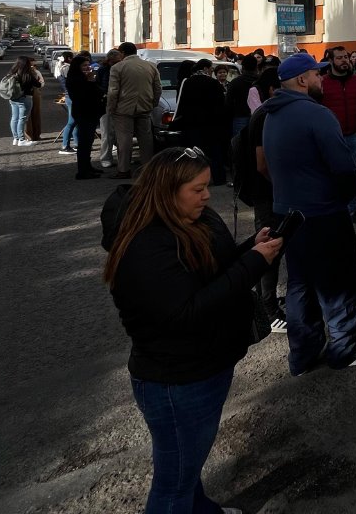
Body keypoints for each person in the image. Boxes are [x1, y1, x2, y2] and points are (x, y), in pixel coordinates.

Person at [103, 146, 283, 514]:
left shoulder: (190, 218)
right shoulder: (147, 245)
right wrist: (251, 264)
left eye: (207, 186)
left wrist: (252, 247)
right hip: (178, 379)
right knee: (174, 485)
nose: (207, 195)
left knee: (186, 468)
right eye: (197, 189)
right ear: (167, 192)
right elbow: (184, 311)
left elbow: (211, 267)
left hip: (204, 364)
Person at [262, 52, 356, 373]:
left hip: (288, 215)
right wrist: (345, 197)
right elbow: (344, 170)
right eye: (316, 75)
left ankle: (302, 354)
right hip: (323, 213)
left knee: (300, 285)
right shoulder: (317, 115)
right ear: (302, 80)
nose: (321, 79)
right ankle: (344, 348)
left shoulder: (270, 115)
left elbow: (266, 167)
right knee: (337, 280)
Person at [246, 70, 287, 334]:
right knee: (270, 248)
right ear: (273, 89)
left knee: (274, 248)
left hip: (270, 192)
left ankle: (267, 301)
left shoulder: (266, 114)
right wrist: (283, 187)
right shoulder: (264, 116)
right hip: (268, 194)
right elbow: (262, 165)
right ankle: (269, 310)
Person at [321, 47, 356, 227]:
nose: (345, 61)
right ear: (331, 60)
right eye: (340, 58)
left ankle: (352, 209)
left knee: (351, 175)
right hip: (333, 139)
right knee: (332, 174)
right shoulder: (323, 83)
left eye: (346, 57)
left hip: (354, 136)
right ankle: (335, 209)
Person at [108, 42, 162, 180]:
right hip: (145, 107)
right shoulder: (150, 66)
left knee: (124, 140)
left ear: (122, 53)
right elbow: (157, 88)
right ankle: (148, 169)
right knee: (146, 140)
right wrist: (153, 103)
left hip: (123, 109)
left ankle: (124, 170)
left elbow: (113, 91)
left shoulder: (117, 67)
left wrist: (111, 108)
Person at [174, 60, 230, 186]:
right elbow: (221, 105)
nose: (212, 71)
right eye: (211, 69)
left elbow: (181, 103)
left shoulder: (187, 82)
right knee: (215, 152)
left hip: (192, 122)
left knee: (194, 152)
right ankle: (219, 178)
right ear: (205, 68)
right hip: (212, 123)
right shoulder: (214, 83)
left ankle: (193, 178)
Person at [65, 55, 106, 180]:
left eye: (88, 64)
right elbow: (82, 96)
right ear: (77, 66)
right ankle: (83, 171)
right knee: (84, 143)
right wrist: (89, 81)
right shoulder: (74, 79)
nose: (87, 67)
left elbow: (98, 91)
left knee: (89, 142)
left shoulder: (84, 78)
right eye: (84, 65)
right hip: (83, 113)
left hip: (91, 113)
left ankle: (88, 166)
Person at [6, 56, 42, 146]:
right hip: (25, 98)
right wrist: (35, 74)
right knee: (22, 119)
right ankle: (22, 140)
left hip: (13, 98)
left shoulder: (12, 73)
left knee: (14, 118)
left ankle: (16, 139)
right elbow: (38, 84)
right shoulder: (28, 74)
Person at [96, 49, 123, 168]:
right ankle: (105, 158)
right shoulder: (104, 69)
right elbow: (100, 85)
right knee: (107, 133)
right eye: (115, 61)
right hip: (106, 103)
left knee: (119, 134)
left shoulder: (118, 69)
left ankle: (121, 158)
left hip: (119, 103)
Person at [225, 55, 259, 138]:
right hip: (258, 116)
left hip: (240, 116)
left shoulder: (235, 82)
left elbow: (228, 102)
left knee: (239, 143)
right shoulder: (261, 81)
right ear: (256, 67)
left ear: (242, 67)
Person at [55, 51, 79, 155]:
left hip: (70, 95)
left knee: (75, 121)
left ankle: (77, 144)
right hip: (72, 95)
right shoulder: (66, 68)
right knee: (72, 121)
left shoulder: (62, 66)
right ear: (69, 58)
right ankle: (65, 146)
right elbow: (70, 82)